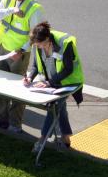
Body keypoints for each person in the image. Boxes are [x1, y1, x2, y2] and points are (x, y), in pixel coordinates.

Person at [0, 0, 45, 133]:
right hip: (3, 49)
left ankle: (15, 125)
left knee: (17, 90)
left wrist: (21, 51)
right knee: (1, 87)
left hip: (19, 54)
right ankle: (1, 119)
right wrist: (11, 10)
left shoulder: (34, 8)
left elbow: (36, 36)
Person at [23, 22, 84, 152]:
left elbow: (68, 69)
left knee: (54, 105)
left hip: (68, 83)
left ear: (47, 40)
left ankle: (42, 139)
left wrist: (49, 83)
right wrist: (30, 77)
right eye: (36, 45)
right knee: (59, 107)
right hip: (52, 83)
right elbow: (35, 66)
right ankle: (66, 138)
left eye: (39, 44)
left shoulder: (65, 44)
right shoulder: (37, 44)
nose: (38, 47)